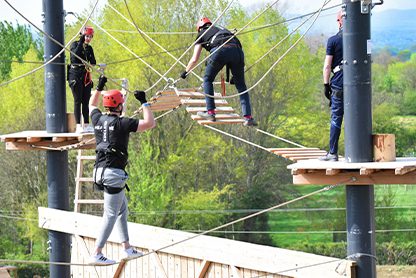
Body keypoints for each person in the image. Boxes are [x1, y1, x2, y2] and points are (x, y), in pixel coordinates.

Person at [88, 75, 156, 265]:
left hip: (99, 172)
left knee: (121, 210)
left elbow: (91, 106)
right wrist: (144, 102)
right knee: (110, 214)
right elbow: (150, 123)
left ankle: (126, 247)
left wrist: (99, 88)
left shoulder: (98, 120)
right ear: (119, 106)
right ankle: (97, 252)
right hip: (112, 174)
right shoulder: (123, 123)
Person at [181, 17, 257, 126]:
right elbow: (237, 48)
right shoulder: (223, 30)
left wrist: (185, 72)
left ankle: (210, 112)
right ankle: (248, 117)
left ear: (199, 28)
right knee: (241, 85)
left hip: (220, 51)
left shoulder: (202, 34)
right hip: (238, 52)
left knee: (207, 80)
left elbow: (194, 59)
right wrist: (234, 76)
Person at [319, 11, 344, 162]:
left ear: (342, 20)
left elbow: (327, 66)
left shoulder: (334, 40)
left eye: (338, 19)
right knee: (359, 118)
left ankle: (333, 153)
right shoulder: (362, 38)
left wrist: (326, 84)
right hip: (359, 86)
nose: (337, 22)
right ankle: (363, 152)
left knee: (336, 118)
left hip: (339, 84)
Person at [68, 26, 96, 133]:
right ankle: (78, 125)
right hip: (75, 75)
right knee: (77, 100)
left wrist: (90, 59)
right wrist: (81, 41)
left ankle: (87, 125)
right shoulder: (74, 45)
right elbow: (74, 57)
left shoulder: (89, 48)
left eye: (90, 36)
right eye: (86, 36)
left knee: (85, 101)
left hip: (85, 75)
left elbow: (93, 61)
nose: (88, 38)